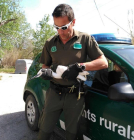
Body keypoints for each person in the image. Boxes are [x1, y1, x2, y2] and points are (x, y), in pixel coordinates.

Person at [37, 4, 108, 140]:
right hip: (54, 94)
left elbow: (103, 62)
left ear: (73, 22)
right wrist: (45, 72)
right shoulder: (50, 43)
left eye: (64, 27)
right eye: (56, 27)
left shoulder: (85, 39)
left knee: (72, 134)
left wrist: (80, 66)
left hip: (75, 95)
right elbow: (45, 65)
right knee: (44, 130)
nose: (60, 32)